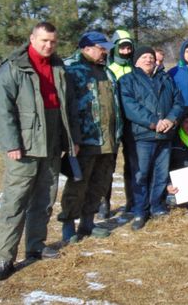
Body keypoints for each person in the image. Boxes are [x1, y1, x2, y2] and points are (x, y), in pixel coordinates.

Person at [0, 22, 80, 281]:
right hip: (25, 144)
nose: (48, 46)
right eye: (43, 41)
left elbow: (69, 106)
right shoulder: (13, 68)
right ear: (31, 38)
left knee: (44, 199)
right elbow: (2, 109)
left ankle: (36, 246)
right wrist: (11, 143)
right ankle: (4, 258)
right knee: (15, 202)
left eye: (53, 41)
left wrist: (71, 139)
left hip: (52, 142)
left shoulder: (59, 67)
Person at [58, 31, 123, 243]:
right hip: (84, 140)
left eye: (105, 47)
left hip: (108, 141)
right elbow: (65, 107)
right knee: (78, 185)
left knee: (100, 184)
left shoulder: (108, 73)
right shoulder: (72, 71)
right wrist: (70, 139)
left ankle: (88, 223)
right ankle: (69, 224)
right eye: (100, 47)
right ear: (86, 48)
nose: (105, 51)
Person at [119, 46, 184, 231]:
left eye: (151, 57)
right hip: (142, 135)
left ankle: (157, 206)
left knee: (161, 174)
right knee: (141, 175)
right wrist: (154, 122)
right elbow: (130, 107)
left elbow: (178, 101)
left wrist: (171, 119)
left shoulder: (166, 79)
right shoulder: (127, 80)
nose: (148, 60)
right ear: (136, 60)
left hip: (165, 135)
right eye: (144, 57)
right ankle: (140, 210)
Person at [97, 29, 136, 219]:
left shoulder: (134, 68)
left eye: (129, 47)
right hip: (112, 124)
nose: (126, 51)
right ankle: (104, 201)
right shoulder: (108, 69)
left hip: (131, 124)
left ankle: (132, 200)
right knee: (107, 165)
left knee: (132, 164)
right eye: (123, 47)